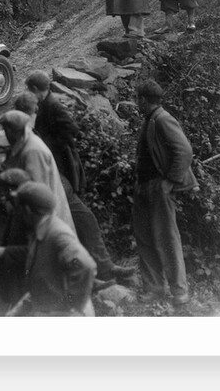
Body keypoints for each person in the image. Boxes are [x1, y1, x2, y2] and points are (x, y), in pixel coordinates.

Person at [21, 76, 135, 285]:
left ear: (38, 90)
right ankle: (97, 273)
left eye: (31, 91)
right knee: (79, 223)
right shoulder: (30, 127)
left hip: (61, 174)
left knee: (83, 222)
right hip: (52, 182)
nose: (35, 106)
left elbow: (71, 131)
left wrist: (55, 147)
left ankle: (102, 270)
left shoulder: (50, 107)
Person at [133, 79, 198, 306]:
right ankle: (154, 289)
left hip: (158, 188)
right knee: (144, 237)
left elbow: (185, 150)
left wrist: (170, 181)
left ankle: (179, 292)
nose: (136, 103)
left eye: (137, 99)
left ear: (143, 99)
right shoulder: (150, 119)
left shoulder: (162, 119)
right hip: (144, 187)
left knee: (167, 238)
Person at [0, 182, 96, 317]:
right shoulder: (41, 232)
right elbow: (40, 282)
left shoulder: (57, 234)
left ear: (28, 210)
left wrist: (74, 306)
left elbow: (86, 266)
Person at [0, 110, 75, 231]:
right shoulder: (21, 142)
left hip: (45, 216)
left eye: (6, 130)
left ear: (12, 131)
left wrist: (11, 196)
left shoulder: (33, 151)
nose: (5, 134)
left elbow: (36, 188)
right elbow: (7, 164)